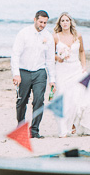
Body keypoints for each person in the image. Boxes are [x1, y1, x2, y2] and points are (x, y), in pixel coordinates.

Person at [51, 12, 90, 137]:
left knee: (80, 96)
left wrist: (84, 66)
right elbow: (50, 55)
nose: (65, 23)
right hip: (62, 70)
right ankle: (64, 130)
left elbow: (82, 51)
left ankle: (76, 124)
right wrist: (59, 57)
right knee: (64, 97)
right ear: (59, 23)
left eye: (67, 20)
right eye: (62, 21)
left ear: (70, 22)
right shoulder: (55, 37)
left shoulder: (77, 36)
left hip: (76, 69)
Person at [11, 10, 56, 138]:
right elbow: (15, 54)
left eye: (45, 23)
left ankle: (34, 130)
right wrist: (16, 74)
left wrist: (52, 79)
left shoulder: (48, 37)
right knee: (21, 101)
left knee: (39, 101)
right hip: (23, 71)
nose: (42, 25)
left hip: (40, 72)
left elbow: (50, 60)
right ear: (35, 19)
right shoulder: (23, 33)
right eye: (41, 22)